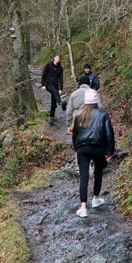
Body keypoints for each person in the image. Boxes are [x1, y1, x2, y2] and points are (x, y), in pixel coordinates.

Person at [69, 89, 115, 218]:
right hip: (98, 148)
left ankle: (83, 208)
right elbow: (109, 134)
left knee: (84, 176)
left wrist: (77, 148)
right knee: (98, 172)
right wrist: (109, 151)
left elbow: (75, 135)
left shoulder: (78, 115)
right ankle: (95, 199)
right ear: (95, 101)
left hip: (82, 148)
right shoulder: (103, 115)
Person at [40, 54, 65, 127]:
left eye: (59, 58)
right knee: (55, 92)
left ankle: (51, 118)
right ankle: (60, 102)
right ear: (54, 58)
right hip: (48, 84)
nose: (58, 59)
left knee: (53, 102)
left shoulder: (60, 68)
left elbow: (61, 79)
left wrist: (61, 88)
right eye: (57, 58)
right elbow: (43, 75)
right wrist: (43, 85)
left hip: (55, 85)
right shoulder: (48, 65)